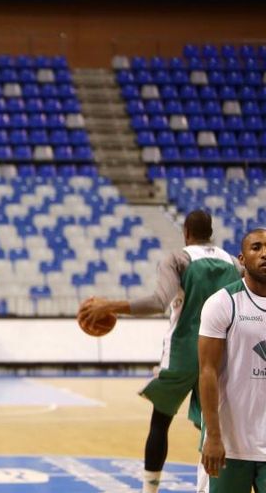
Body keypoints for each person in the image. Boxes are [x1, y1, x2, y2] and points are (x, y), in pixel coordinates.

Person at [79, 210, 243, 493]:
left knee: (160, 422)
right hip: (222, 354)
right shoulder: (233, 263)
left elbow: (158, 302)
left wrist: (109, 306)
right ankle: (211, 487)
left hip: (184, 353)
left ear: (186, 233)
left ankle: (149, 490)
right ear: (211, 232)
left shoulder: (178, 259)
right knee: (214, 428)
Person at [198, 228, 266, 493]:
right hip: (230, 445)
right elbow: (207, 372)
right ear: (241, 258)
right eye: (256, 247)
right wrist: (213, 436)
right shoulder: (223, 303)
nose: (264, 254)